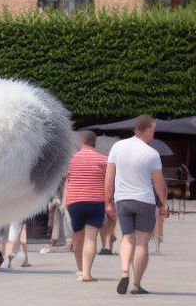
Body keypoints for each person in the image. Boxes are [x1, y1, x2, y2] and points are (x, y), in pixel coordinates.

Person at [105, 115, 169, 295]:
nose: (154, 133)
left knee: (127, 238)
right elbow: (159, 183)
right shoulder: (152, 154)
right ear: (145, 129)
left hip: (123, 200)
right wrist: (163, 204)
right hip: (144, 201)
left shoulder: (117, 147)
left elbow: (109, 177)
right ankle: (136, 284)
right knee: (142, 242)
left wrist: (108, 201)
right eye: (152, 130)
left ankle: (124, 271)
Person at [64, 130, 108, 282]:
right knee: (91, 238)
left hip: (74, 201)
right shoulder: (103, 159)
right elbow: (108, 181)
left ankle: (80, 268)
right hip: (96, 201)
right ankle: (87, 273)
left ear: (81, 141)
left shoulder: (70, 159)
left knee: (77, 236)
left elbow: (66, 179)